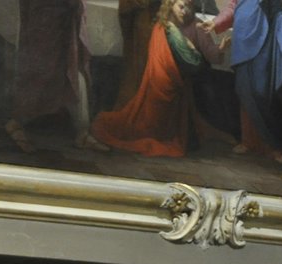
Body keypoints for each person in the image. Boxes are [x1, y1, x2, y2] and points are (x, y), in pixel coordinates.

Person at [92, 0, 233, 158]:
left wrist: (218, 50)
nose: (185, 11)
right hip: (167, 83)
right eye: (181, 6)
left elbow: (208, 56)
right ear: (171, 5)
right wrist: (193, 52)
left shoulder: (194, 25)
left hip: (179, 85)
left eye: (189, 7)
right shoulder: (165, 28)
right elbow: (194, 62)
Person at [5, 0, 108, 154]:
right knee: (41, 75)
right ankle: (16, 122)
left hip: (64, 19)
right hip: (46, 19)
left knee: (75, 73)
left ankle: (83, 133)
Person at [209, 0, 282, 161]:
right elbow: (232, 8)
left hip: (262, 44)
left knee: (261, 93)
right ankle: (248, 141)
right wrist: (215, 22)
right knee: (244, 92)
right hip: (242, 44)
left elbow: (278, 11)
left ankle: (274, 145)